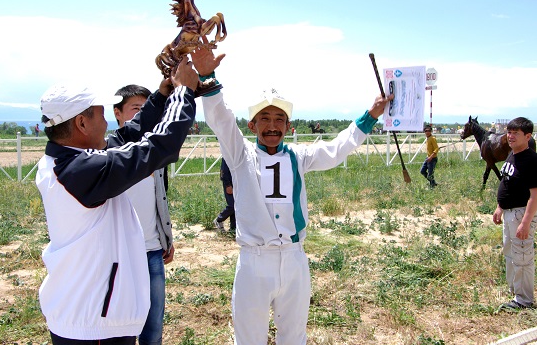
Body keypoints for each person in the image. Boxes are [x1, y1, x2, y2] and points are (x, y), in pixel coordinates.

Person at [191, 44, 391, 344]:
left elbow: (336, 150)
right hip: (254, 262)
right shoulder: (241, 155)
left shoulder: (299, 156)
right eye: (265, 119)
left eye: (279, 119)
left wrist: (370, 116)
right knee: (248, 338)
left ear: (288, 125)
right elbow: (221, 119)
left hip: (295, 261)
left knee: (294, 337)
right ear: (253, 125)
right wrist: (208, 76)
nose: (272, 126)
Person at [35, 57, 200, 344]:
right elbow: (159, 147)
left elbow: (126, 137)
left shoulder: (65, 161)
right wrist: (184, 92)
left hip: (86, 314)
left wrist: (162, 97)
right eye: (101, 115)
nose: (107, 122)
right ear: (82, 122)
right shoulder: (82, 170)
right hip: (95, 325)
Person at [113, 83, 174, 345]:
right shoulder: (110, 152)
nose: (142, 116)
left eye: (147, 109)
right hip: (120, 255)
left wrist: (166, 237)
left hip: (152, 252)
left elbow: (160, 199)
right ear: (118, 113)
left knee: (153, 331)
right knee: (120, 329)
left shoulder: (155, 154)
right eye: (136, 109)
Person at [493, 117, 537, 311]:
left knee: (522, 256)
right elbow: (508, 183)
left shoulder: (531, 160)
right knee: (510, 253)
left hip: (521, 214)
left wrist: (525, 222)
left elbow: (535, 196)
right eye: (509, 132)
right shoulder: (513, 155)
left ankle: (524, 300)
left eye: (515, 133)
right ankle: (515, 291)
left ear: (528, 136)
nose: (510, 136)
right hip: (509, 213)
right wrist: (499, 206)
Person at [213, 157, 236, 233]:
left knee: (236, 205)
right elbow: (223, 171)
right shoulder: (227, 154)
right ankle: (219, 219)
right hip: (229, 183)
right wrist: (227, 185)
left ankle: (233, 228)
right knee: (232, 205)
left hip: (237, 182)